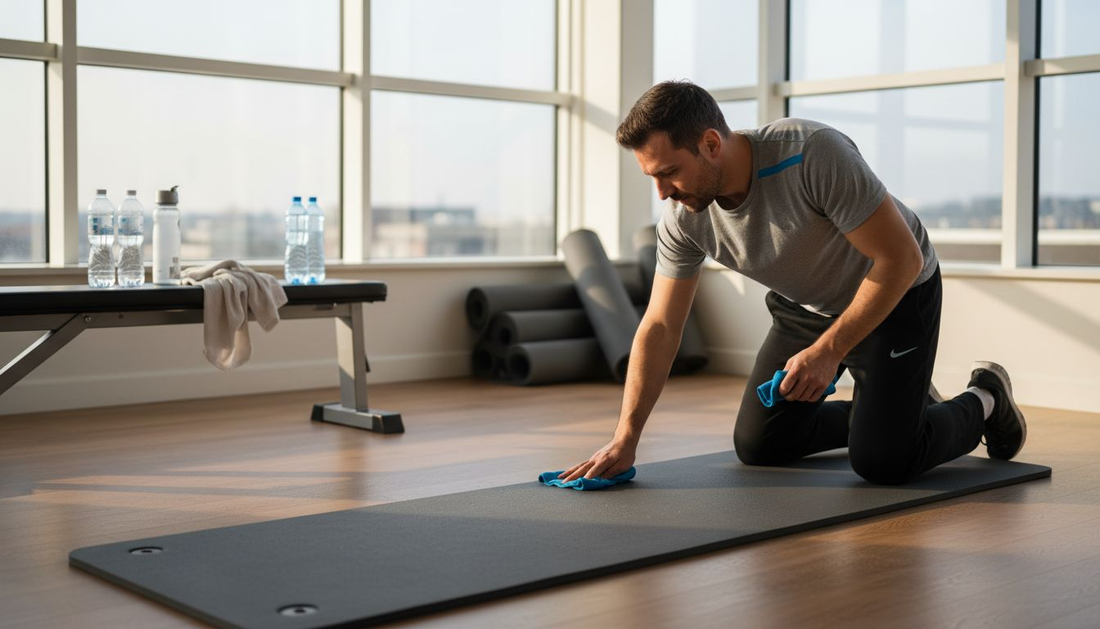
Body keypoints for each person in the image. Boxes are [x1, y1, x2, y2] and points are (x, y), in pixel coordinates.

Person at [558, 80, 1026, 486]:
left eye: (669, 172)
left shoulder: (810, 153)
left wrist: (828, 351)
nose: (663, 193)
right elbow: (660, 327)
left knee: (885, 462)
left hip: (895, 293)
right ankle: (893, 411)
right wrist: (626, 437)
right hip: (807, 305)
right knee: (761, 445)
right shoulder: (683, 219)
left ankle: (986, 397)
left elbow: (900, 259)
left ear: (711, 144)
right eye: (652, 177)